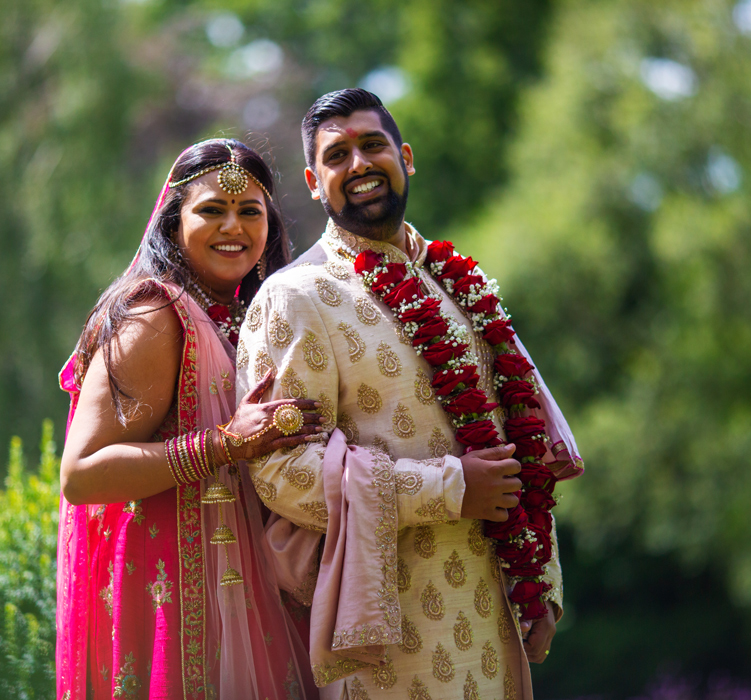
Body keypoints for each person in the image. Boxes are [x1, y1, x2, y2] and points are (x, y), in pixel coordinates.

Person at [236, 90, 584, 699]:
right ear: (316, 184)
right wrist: (451, 488)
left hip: (494, 612)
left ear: (406, 157)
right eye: (337, 156)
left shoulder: (460, 283)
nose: (360, 165)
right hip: (389, 632)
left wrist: (543, 583)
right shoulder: (296, 298)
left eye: (373, 146)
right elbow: (280, 471)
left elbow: (519, 431)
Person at [55, 138, 323, 700]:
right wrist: (223, 445)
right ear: (173, 221)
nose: (234, 225)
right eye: (211, 210)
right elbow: (81, 474)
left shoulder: (249, 317)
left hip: (251, 591)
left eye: (250, 212)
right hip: (172, 593)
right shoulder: (156, 313)